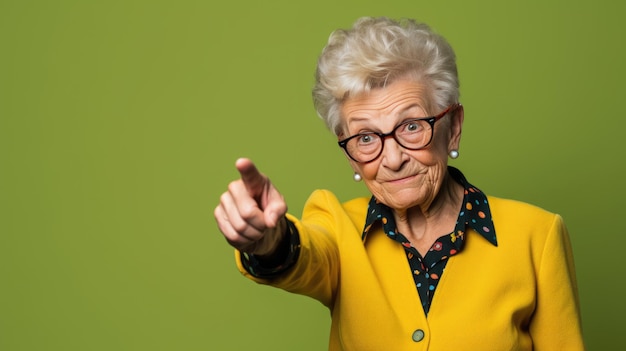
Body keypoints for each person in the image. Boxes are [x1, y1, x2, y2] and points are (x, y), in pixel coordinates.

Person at [214, 16, 584, 351]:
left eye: (411, 127)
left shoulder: (537, 235)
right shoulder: (339, 229)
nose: (392, 159)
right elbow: (304, 256)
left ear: (452, 129)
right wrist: (270, 242)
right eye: (366, 138)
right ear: (350, 156)